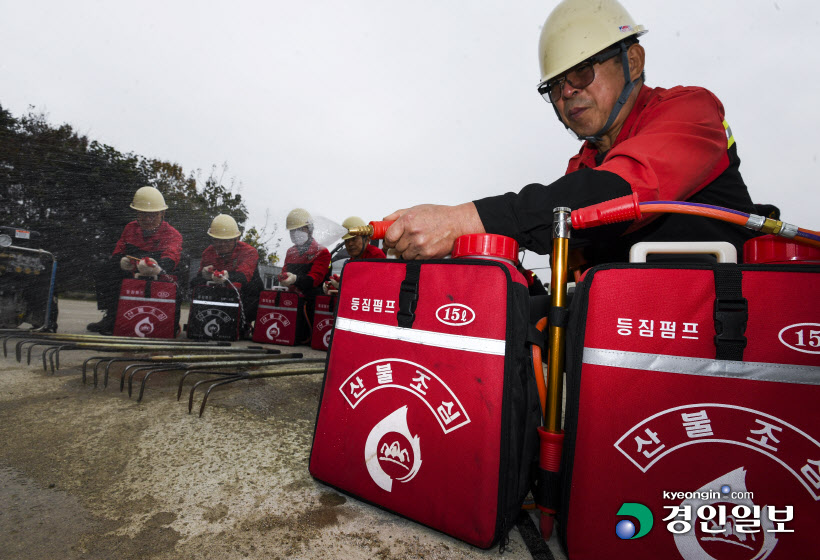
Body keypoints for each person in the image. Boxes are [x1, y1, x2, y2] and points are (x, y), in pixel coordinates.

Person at [382, 0, 758, 268]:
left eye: (580, 73)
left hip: (719, 336)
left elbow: (618, 193)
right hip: (633, 336)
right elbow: (564, 245)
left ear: (632, 62)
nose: (567, 92)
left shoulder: (690, 111)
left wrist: (459, 222)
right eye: (555, 86)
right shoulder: (584, 165)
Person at [87, 186, 183, 335]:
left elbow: (172, 257)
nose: (147, 219)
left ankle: (170, 321)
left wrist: (157, 267)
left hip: (160, 271)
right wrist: (121, 261)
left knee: (177, 282)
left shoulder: (172, 234)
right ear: (137, 213)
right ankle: (111, 317)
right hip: (132, 270)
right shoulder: (130, 229)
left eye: (152, 215)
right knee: (105, 270)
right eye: (142, 215)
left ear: (162, 213)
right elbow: (118, 251)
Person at [190, 214, 263, 336]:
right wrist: (204, 275)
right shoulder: (208, 253)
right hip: (221, 296)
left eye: (227, 241)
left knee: (249, 294)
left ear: (236, 238)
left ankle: (244, 324)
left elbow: (244, 277)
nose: (222, 244)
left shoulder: (249, 252)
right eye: (218, 240)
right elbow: (195, 283)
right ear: (212, 239)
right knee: (196, 286)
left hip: (247, 298)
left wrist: (226, 277)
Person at [324, 216, 387, 293]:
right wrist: (336, 285)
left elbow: (374, 286)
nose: (350, 244)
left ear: (366, 240)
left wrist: (343, 285)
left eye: (354, 239)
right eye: (346, 241)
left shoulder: (376, 256)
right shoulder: (352, 260)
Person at [279, 208, 331, 295]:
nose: (295, 233)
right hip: (292, 300)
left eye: (300, 229)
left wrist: (295, 279)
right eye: (292, 230)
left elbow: (315, 280)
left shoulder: (322, 252)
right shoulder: (290, 252)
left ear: (310, 230)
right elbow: (284, 272)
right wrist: (282, 277)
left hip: (313, 302)